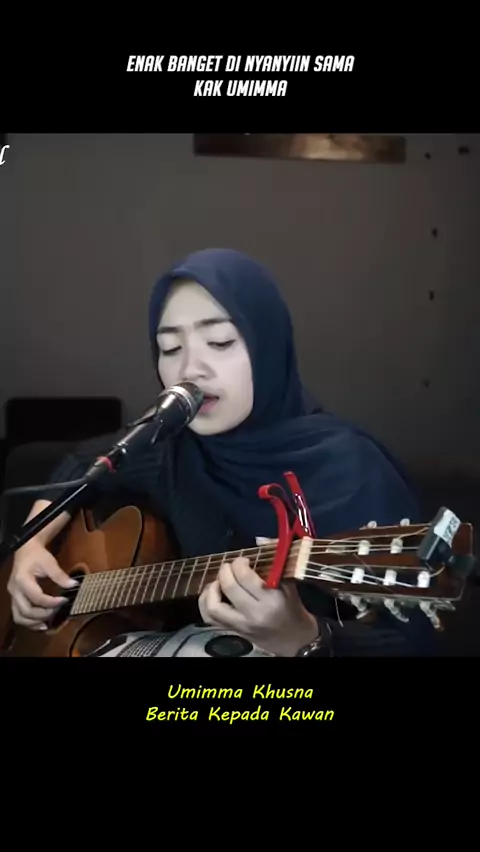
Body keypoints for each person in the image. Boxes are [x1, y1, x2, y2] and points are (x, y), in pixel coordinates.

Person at [7, 248, 438, 656]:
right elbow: (86, 462)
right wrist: (31, 546)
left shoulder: (352, 469)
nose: (189, 369)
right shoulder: (170, 448)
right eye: (170, 348)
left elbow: (416, 642)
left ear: (268, 346)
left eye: (220, 341)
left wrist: (305, 637)